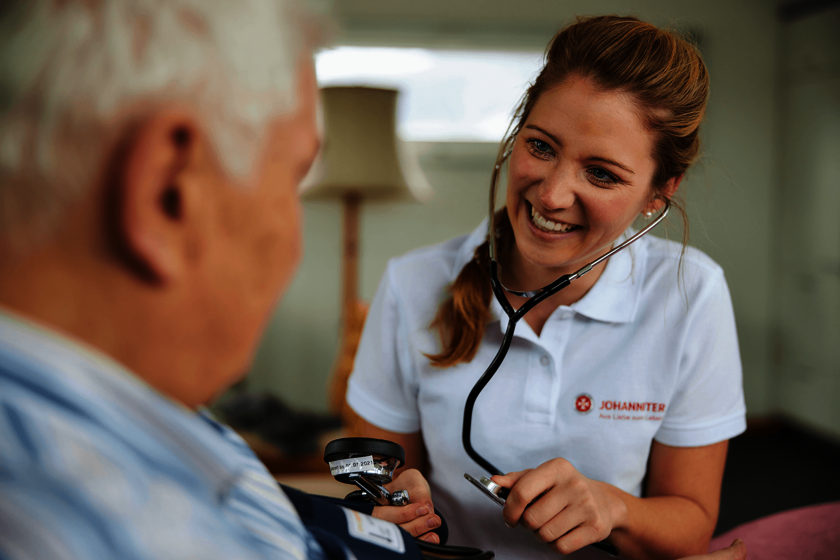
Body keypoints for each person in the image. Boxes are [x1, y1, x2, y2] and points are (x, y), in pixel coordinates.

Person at [0, 1, 440, 558]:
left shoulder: (154, 419)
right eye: (292, 179)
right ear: (169, 194)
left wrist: (363, 525)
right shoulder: (105, 533)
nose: (294, 240)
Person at [347, 15, 747, 560]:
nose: (553, 195)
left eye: (602, 174)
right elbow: (372, 484)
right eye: (540, 146)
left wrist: (613, 508)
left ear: (659, 192)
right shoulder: (411, 284)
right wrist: (389, 505)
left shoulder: (691, 295)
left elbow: (692, 523)